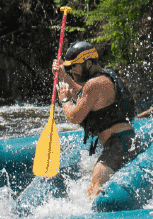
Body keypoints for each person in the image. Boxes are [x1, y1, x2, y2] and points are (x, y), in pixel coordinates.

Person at [52, 40, 138, 198]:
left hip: (118, 145)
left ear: (88, 63)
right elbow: (84, 94)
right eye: (69, 68)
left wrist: (64, 100)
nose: (73, 71)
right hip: (124, 141)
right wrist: (64, 76)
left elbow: (74, 116)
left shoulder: (94, 84)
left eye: (75, 67)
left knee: (94, 188)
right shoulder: (104, 78)